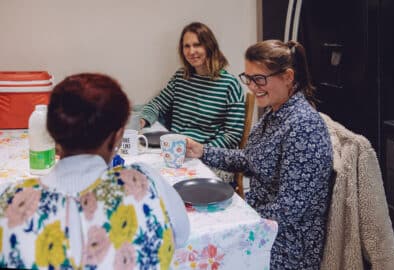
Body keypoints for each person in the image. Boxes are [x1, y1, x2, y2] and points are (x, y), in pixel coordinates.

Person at [0, 73, 189, 269]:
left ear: (53, 136)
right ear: (117, 137)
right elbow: (182, 235)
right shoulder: (147, 182)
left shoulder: (10, 202)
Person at [186, 40, 333, 269]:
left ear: (288, 77)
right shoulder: (275, 114)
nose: (253, 87)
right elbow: (250, 159)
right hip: (263, 225)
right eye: (249, 78)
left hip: (286, 246)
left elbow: (289, 209)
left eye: (260, 79)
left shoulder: (304, 126)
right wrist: (202, 151)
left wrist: (237, 214)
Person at [140, 22, 245, 149]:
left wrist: (201, 151)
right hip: (176, 149)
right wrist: (142, 120)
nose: (191, 51)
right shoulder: (180, 77)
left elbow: (232, 137)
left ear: (209, 47)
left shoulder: (230, 84)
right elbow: (157, 104)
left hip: (207, 156)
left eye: (197, 45)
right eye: (186, 46)